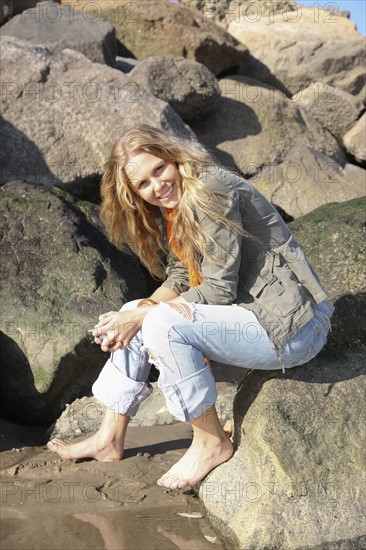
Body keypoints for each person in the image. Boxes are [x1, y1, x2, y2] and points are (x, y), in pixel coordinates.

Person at [47, 125, 334, 489]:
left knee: (159, 323)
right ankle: (109, 438)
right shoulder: (178, 202)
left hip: (291, 328)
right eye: (143, 185)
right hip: (251, 316)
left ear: (172, 157)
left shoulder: (211, 189)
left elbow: (217, 289)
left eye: (158, 170)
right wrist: (133, 313)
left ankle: (212, 442)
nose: (156, 186)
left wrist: (142, 317)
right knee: (139, 308)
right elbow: (183, 274)